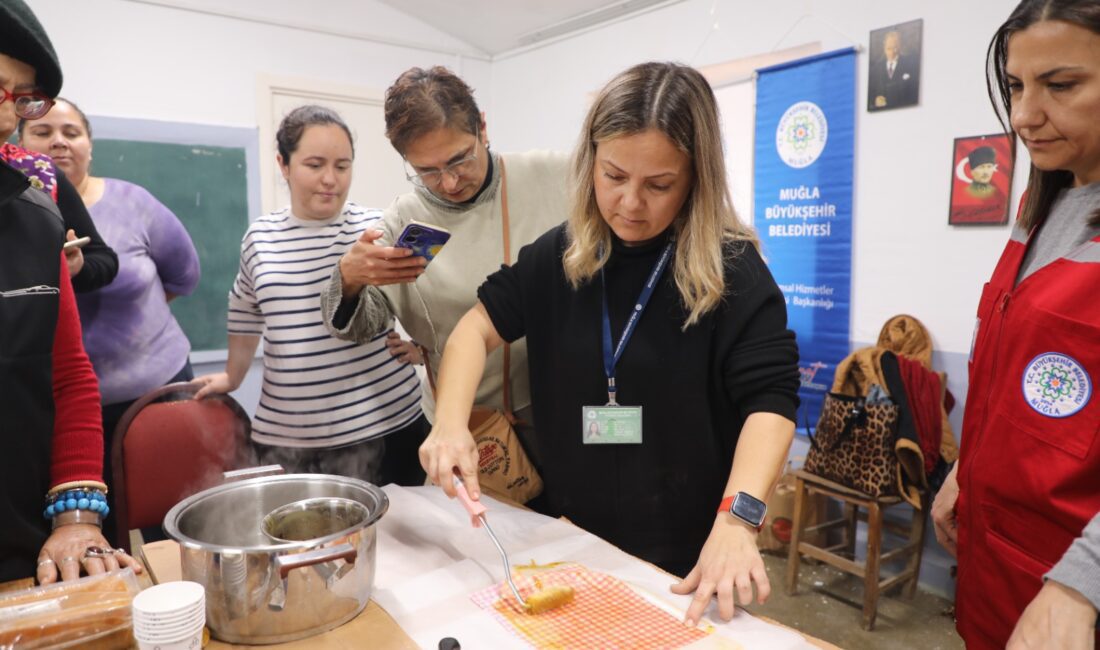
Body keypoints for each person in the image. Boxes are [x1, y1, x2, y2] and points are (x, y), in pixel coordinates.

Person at [419, 61, 800, 628]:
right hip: (571, 542)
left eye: (659, 185)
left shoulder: (733, 270)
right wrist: (449, 423)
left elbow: (770, 401)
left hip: (690, 560)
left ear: (697, 177)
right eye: (613, 175)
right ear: (590, 161)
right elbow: (476, 328)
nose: (630, 204)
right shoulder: (559, 255)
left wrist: (738, 522)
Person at [932, 2, 1100, 648]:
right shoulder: (1043, 208)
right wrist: (963, 472)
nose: (1025, 114)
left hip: (1069, 593)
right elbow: (1010, 369)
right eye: (1015, 86)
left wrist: (1082, 581)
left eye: (1061, 85)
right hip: (998, 569)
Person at [320, 67, 570, 451]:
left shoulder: (554, 177)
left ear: (482, 128)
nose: (450, 183)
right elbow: (359, 327)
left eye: (459, 160)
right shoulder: (404, 220)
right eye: (427, 171)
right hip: (460, 425)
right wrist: (349, 279)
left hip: (553, 410)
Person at [192, 105, 427, 486]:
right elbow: (245, 308)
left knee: (399, 541)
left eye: (342, 165)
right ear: (283, 165)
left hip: (386, 426)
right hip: (291, 438)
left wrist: (424, 348)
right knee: (300, 543)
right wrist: (233, 377)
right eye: (315, 165)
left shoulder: (374, 228)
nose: (330, 179)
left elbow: (425, 296)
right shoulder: (260, 237)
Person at [0, 0, 141, 584]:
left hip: (21, 543)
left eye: (19, 95)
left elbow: (70, 374)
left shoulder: (37, 215)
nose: (4, 110)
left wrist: (76, 518)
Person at [19, 98, 202, 541]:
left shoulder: (133, 202)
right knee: (97, 532)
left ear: (89, 145)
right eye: (42, 133)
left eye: (71, 132)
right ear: (19, 144)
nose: (58, 142)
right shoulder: (17, 219)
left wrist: (139, 328)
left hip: (161, 394)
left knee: (179, 524)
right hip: (70, 413)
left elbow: (184, 275)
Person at [868, 29, 920, 110]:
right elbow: (870, 95)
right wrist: (875, 101)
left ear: (900, 47)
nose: (892, 52)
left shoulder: (910, 65)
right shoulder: (876, 70)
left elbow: (914, 94)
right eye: (889, 48)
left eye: (895, 47)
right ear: (884, 48)